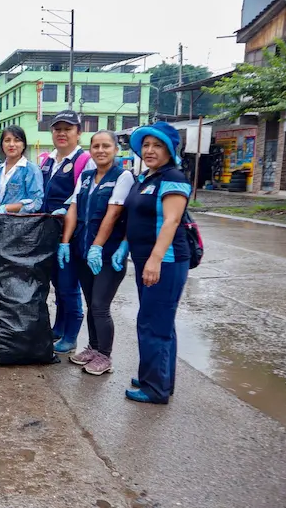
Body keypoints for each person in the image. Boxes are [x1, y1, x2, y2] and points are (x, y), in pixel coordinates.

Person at [114, 122, 191, 404]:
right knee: (160, 322)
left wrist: (155, 259)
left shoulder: (174, 177)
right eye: (146, 145)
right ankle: (160, 378)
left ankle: (154, 388)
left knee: (152, 323)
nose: (149, 150)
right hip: (146, 258)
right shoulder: (147, 177)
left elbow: (171, 220)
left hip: (165, 260)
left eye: (157, 145)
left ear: (169, 150)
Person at [58, 130, 134, 375]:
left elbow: (113, 214)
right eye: (96, 146)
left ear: (116, 149)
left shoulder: (123, 177)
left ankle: (105, 356)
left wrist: (97, 247)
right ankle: (93, 347)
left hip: (108, 254)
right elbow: (73, 208)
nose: (101, 150)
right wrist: (66, 242)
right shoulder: (87, 176)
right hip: (82, 250)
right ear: (90, 150)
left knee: (101, 305)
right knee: (91, 303)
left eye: (106, 146)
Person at [39, 111, 96, 354]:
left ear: (78, 133)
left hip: (71, 234)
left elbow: (81, 197)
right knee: (57, 284)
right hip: (49, 232)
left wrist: (65, 211)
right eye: (57, 129)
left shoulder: (84, 161)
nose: (62, 134)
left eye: (68, 129)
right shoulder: (48, 160)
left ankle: (71, 334)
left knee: (69, 285)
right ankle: (59, 327)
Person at [0, 125, 43, 216]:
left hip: (20, 225)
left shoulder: (31, 170)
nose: (11, 144)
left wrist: (7, 208)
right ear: (2, 145)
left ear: (23, 145)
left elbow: (36, 202)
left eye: (17, 140)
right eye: (7, 140)